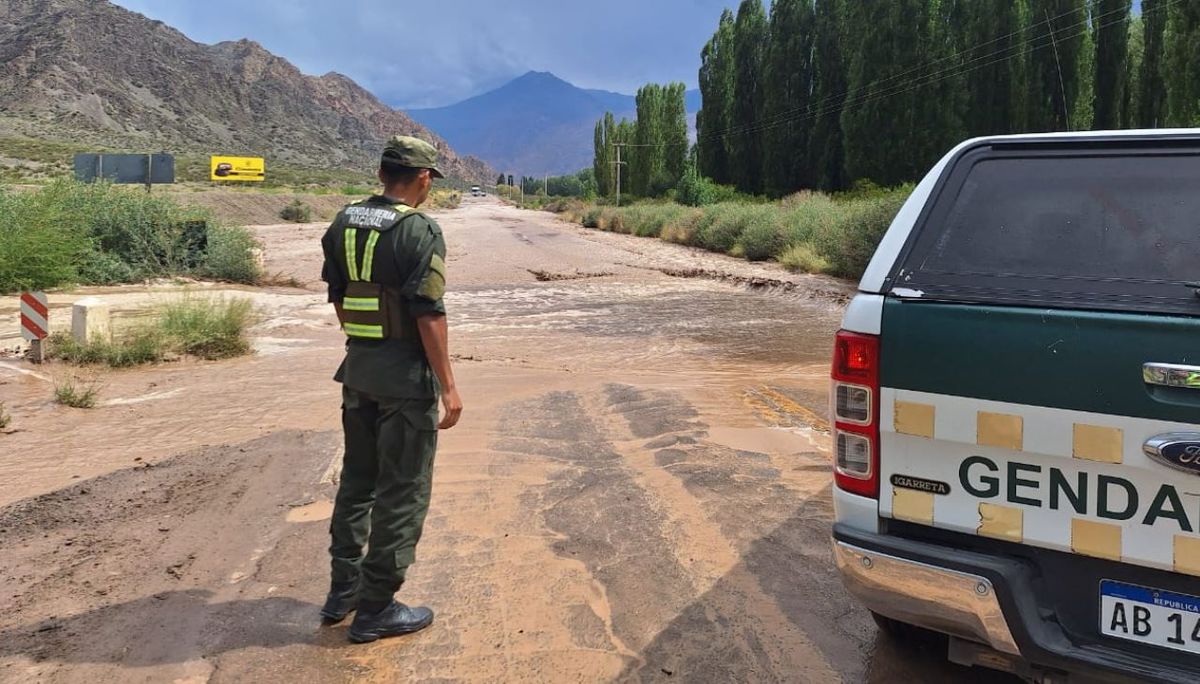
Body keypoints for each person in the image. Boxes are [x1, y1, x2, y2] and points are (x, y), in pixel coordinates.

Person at [318, 135, 464, 643]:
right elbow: (429, 313)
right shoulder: (419, 230)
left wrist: (368, 347)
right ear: (423, 178)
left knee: (358, 482)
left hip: (358, 374)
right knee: (403, 491)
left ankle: (343, 591)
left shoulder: (343, 222)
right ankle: (377, 608)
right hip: (404, 383)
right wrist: (448, 386)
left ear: (382, 174)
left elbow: (339, 299)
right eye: (429, 180)